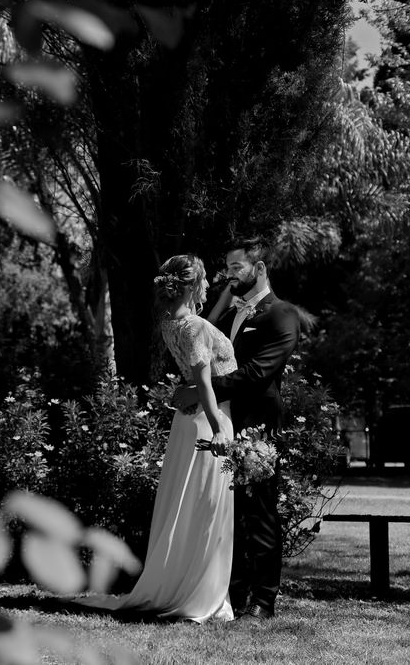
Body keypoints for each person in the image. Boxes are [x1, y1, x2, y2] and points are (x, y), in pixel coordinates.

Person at [79, 254, 237, 623]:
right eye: (204, 281)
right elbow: (204, 383)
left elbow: (202, 339)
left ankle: (185, 585)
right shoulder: (193, 326)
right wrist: (217, 428)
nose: (209, 286)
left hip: (185, 423)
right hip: (206, 420)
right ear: (193, 283)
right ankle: (202, 595)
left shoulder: (173, 322)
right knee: (204, 510)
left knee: (188, 507)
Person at [172, 238, 300, 622]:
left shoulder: (282, 314)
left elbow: (258, 373)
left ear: (260, 269)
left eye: (236, 267)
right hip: (222, 424)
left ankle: (263, 601)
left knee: (260, 511)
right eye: (226, 267)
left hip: (256, 426)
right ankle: (230, 591)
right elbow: (205, 343)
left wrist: (199, 390)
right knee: (227, 511)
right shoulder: (230, 316)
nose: (229, 274)